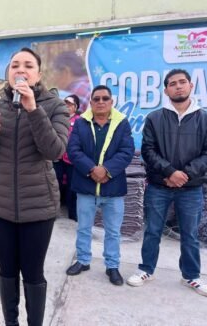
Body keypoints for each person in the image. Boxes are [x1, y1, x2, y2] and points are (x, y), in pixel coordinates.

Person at [0, 48, 70, 326]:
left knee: (33, 273)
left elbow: (55, 151)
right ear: (8, 73)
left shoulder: (54, 106)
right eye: (15, 65)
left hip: (38, 208)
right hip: (2, 206)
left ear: (38, 74)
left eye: (28, 65)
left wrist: (32, 110)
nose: (20, 69)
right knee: (7, 272)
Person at [127, 69, 207, 297]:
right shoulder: (155, 118)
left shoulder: (205, 119)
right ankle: (146, 269)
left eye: (182, 82)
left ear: (191, 86)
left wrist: (184, 175)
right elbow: (148, 150)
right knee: (153, 230)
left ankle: (191, 276)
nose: (178, 86)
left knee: (190, 234)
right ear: (166, 90)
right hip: (159, 186)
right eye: (173, 84)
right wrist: (170, 172)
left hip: (191, 188)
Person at [66, 85, 134, 286]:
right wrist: (92, 170)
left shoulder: (121, 123)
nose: (101, 102)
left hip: (113, 188)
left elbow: (126, 151)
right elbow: (73, 150)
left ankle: (112, 266)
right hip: (86, 187)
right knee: (84, 228)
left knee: (113, 231)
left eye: (105, 98)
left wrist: (106, 170)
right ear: (91, 103)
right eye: (97, 99)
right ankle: (83, 260)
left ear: (111, 102)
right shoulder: (81, 124)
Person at [54, 94, 82, 221]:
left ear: (75, 107)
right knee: (55, 184)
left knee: (72, 186)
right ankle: (54, 211)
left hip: (71, 159)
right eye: (65, 103)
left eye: (70, 104)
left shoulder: (80, 121)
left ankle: (72, 213)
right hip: (58, 157)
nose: (67, 106)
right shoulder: (58, 118)